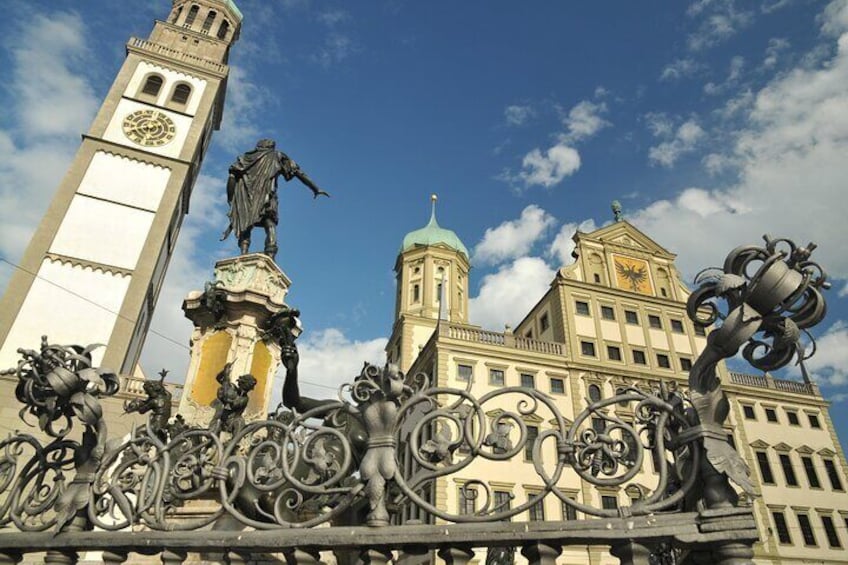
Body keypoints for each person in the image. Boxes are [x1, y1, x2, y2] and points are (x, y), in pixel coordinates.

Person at [221, 139, 329, 259]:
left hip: (245, 195)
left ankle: (243, 255)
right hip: (265, 195)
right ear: (271, 147)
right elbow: (298, 172)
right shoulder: (277, 155)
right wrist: (315, 188)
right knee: (269, 223)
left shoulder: (244, 158)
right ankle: (270, 255)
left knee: (245, 224)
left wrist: (231, 198)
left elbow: (231, 177)